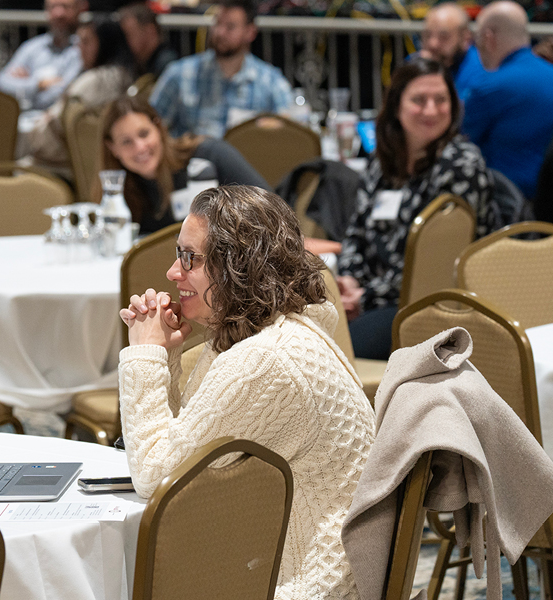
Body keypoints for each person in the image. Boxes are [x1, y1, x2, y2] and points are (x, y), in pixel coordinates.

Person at [118, 185, 375, 600]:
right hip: (289, 559)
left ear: (238, 266)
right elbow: (188, 445)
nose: (172, 272)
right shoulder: (267, 330)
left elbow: (155, 475)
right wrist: (165, 355)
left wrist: (144, 352)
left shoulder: (265, 360)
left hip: (308, 587)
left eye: (190, 258)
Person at [337, 58, 494, 361]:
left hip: (431, 305)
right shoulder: (382, 163)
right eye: (419, 100)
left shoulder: (461, 166)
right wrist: (350, 281)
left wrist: (365, 298)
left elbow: (433, 265)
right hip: (373, 296)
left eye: (441, 100)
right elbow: (356, 231)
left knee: (338, 348)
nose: (431, 110)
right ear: (397, 106)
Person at [97, 95, 269, 234]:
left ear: (158, 128)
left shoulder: (210, 155)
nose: (140, 147)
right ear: (112, 148)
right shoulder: (118, 195)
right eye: (126, 142)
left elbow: (272, 213)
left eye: (144, 134)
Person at [149, 0, 292, 138]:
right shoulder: (180, 73)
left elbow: (294, 126)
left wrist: (273, 125)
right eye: (217, 23)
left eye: (230, 27)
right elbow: (150, 124)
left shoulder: (269, 80)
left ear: (250, 32)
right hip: (193, 158)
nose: (220, 32)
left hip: (246, 160)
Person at [461, 0, 553, 200]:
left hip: (508, 207)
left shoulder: (488, 87)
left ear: (488, 37)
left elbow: (460, 141)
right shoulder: (550, 74)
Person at [27, 18, 133, 169]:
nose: (79, 49)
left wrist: (45, 119)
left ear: (105, 43)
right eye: (78, 42)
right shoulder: (124, 74)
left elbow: (52, 122)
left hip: (66, 164)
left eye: (86, 42)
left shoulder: (95, 80)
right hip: (93, 160)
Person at [0, 0, 87, 110]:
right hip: (25, 118)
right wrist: (38, 84)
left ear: (79, 9)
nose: (58, 13)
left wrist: (24, 88)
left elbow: (62, 93)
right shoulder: (32, 47)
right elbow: (1, 83)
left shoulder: (83, 48)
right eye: (53, 7)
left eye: (65, 7)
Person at [417, 2, 483, 96]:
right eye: (427, 35)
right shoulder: (414, 63)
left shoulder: (481, 73)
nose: (433, 44)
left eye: (443, 36)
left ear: (465, 38)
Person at [117, 2, 177, 79]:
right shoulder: (134, 62)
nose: (126, 41)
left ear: (150, 31)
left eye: (130, 34)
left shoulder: (167, 63)